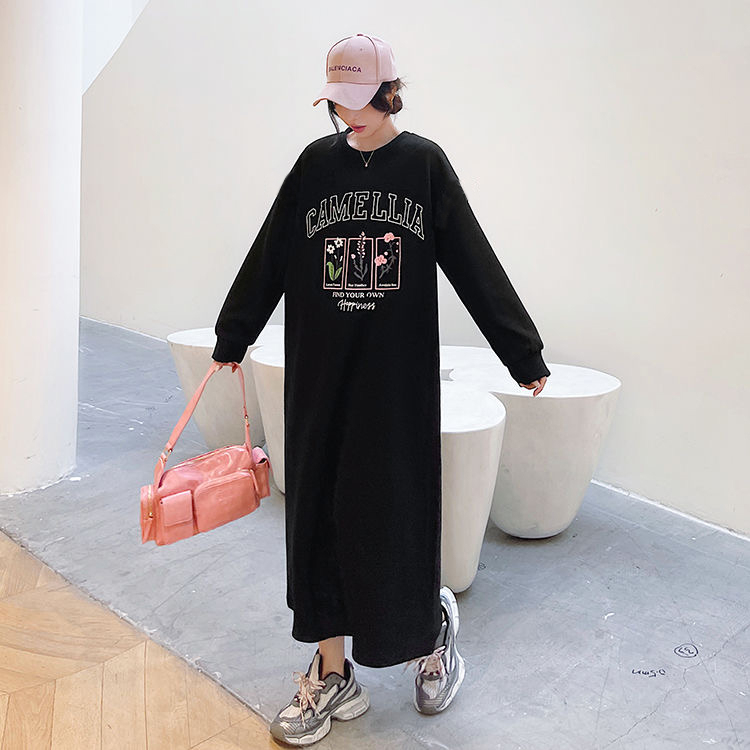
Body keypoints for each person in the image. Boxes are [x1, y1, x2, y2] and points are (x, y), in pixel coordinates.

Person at [212, 32, 550, 746]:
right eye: (339, 102)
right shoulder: (315, 165)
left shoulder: (423, 165)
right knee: (317, 518)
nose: (349, 115)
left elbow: (472, 259)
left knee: (397, 511)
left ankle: (431, 636)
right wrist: (233, 334)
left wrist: (522, 352)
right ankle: (333, 672)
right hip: (318, 375)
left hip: (395, 383)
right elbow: (272, 251)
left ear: (390, 92)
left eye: (361, 100)